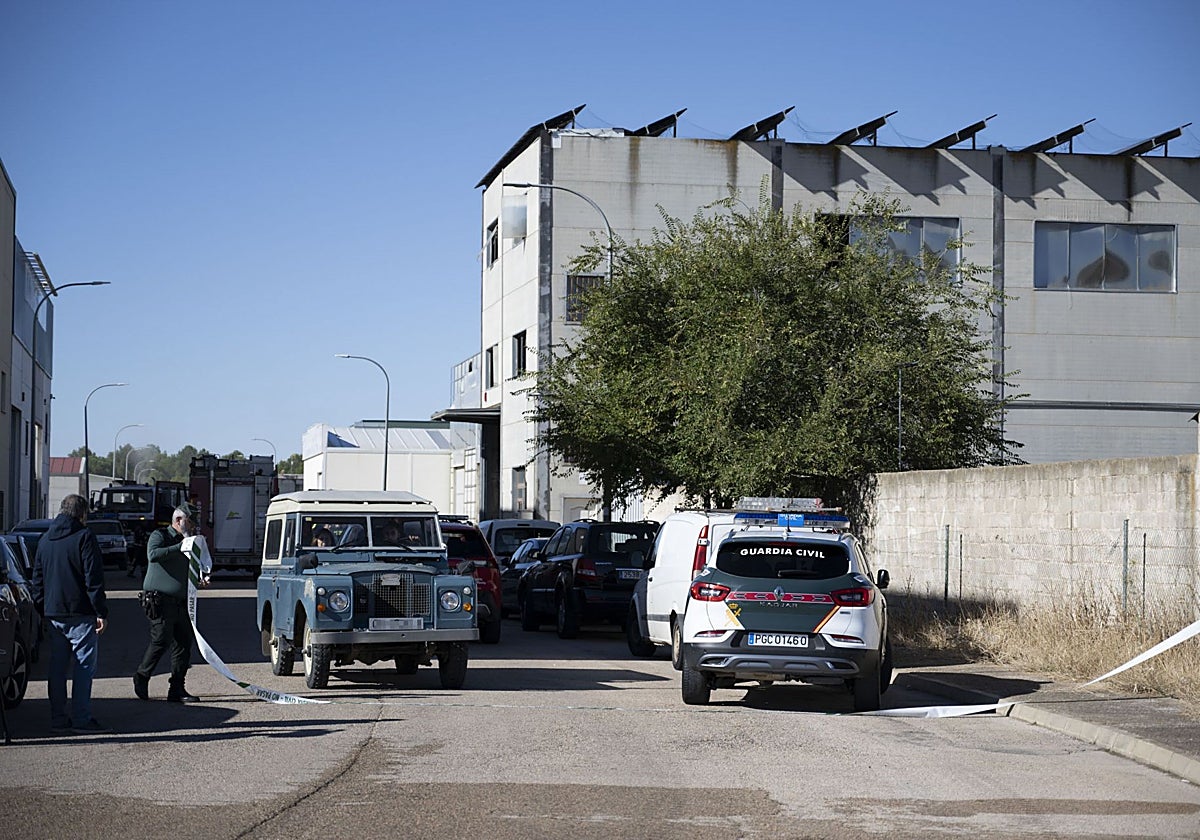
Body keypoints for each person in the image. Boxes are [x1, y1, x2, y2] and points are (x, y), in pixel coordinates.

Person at [31, 494, 110, 734]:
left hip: (54, 613)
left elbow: (37, 579)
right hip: (81, 612)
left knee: (57, 668)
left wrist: (42, 608)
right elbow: (93, 578)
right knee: (84, 667)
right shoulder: (84, 537)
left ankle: (58, 718)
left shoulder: (45, 540)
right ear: (82, 513)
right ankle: (81, 719)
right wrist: (101, 612)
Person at [132, 502, 203, 703]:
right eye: (190, 521)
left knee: (183, 643)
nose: (193, 526)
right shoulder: (160, 536)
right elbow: (153, 555)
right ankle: (142, 676)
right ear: (178, 520)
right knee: (161, 639)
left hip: (181, 601)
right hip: (159, 599)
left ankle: (177, 688)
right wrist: (179, 547)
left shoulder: (190, 542)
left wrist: (200, 577)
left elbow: (191, 567)